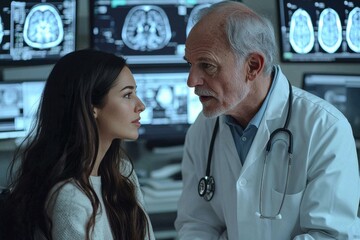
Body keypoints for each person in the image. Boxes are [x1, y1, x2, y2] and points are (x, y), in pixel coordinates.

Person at [175, 1, 360, 239]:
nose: (191, 81)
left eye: (207, 66)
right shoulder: (203, 130)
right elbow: (197, 224)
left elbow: (329, 235)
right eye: (190, 64)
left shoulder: (324, 128)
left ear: (253, 66)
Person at [0, 49, 155, 240]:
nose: (141, 105)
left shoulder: (122, 173)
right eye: (127, 95)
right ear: (92, 107)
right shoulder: (69, 197)